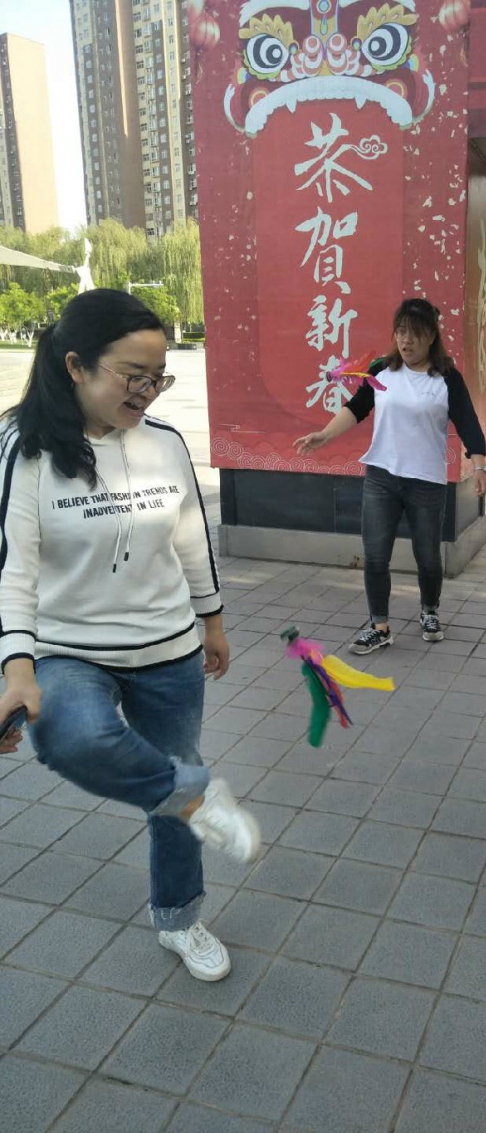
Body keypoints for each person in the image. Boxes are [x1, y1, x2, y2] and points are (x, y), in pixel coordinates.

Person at [0, 289, 261, 982]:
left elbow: (191, 538)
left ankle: (179, 917)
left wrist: (213, 620)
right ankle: (197, 796)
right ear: (76, 365)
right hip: (68, 648)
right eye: (132, 376)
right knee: (69, 736)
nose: (146, 393)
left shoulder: (164, 442)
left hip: (168, 649)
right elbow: (13, 568)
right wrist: (17, 668)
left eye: (158, 378)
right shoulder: (25, 449)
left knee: (170, 785)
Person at [294, 297, 486, 654]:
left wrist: (479, 467)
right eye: (400, 332)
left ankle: (429, 610)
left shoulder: (446, 378)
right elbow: (357, 408)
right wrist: (325, 435)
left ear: (431, 336)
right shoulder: (382, 370)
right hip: (381, 476)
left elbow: (468, 423)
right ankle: (379, 626)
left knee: (427, 556)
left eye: (414, 333)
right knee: (375, 555)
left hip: (426, 482)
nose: (406, 341)